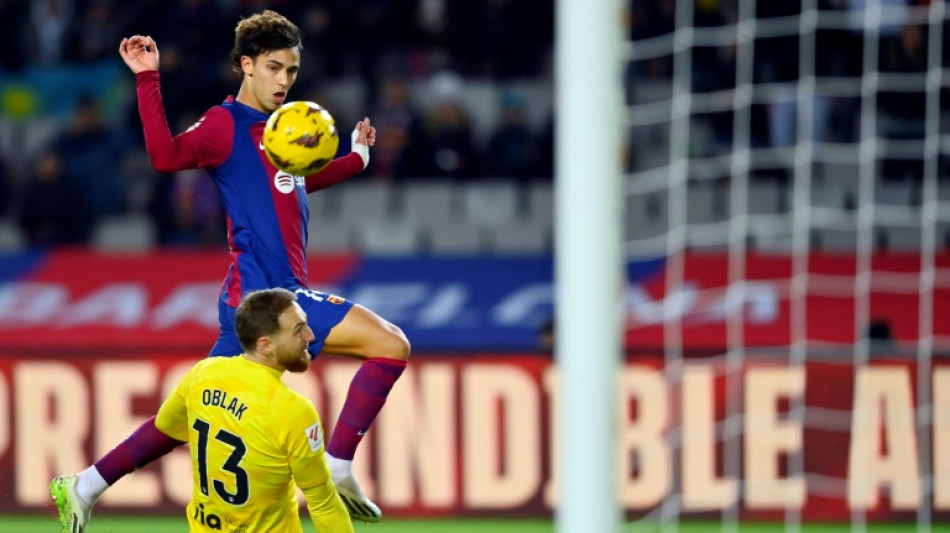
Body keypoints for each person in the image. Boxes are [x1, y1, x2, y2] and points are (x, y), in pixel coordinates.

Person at [51, 10, 410, 532]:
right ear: (246, 65)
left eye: (290, 70)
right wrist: (148, 78)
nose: (284, 80)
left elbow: (301, 182)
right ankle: (336, 464)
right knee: (391, 345)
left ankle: (84, 485)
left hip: (249, 299)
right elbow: (165, 157)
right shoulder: (224, 125)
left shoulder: (284, 131)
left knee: (185, 415)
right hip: (269, 296)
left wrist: (356, 157)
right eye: (272, 67)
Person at [164, 288, 353, 532]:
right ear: (265, 346)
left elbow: (167, 426)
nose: (310, 335)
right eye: (298, 330)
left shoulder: (202, 373)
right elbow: (323, 504)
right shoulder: (293, 410)